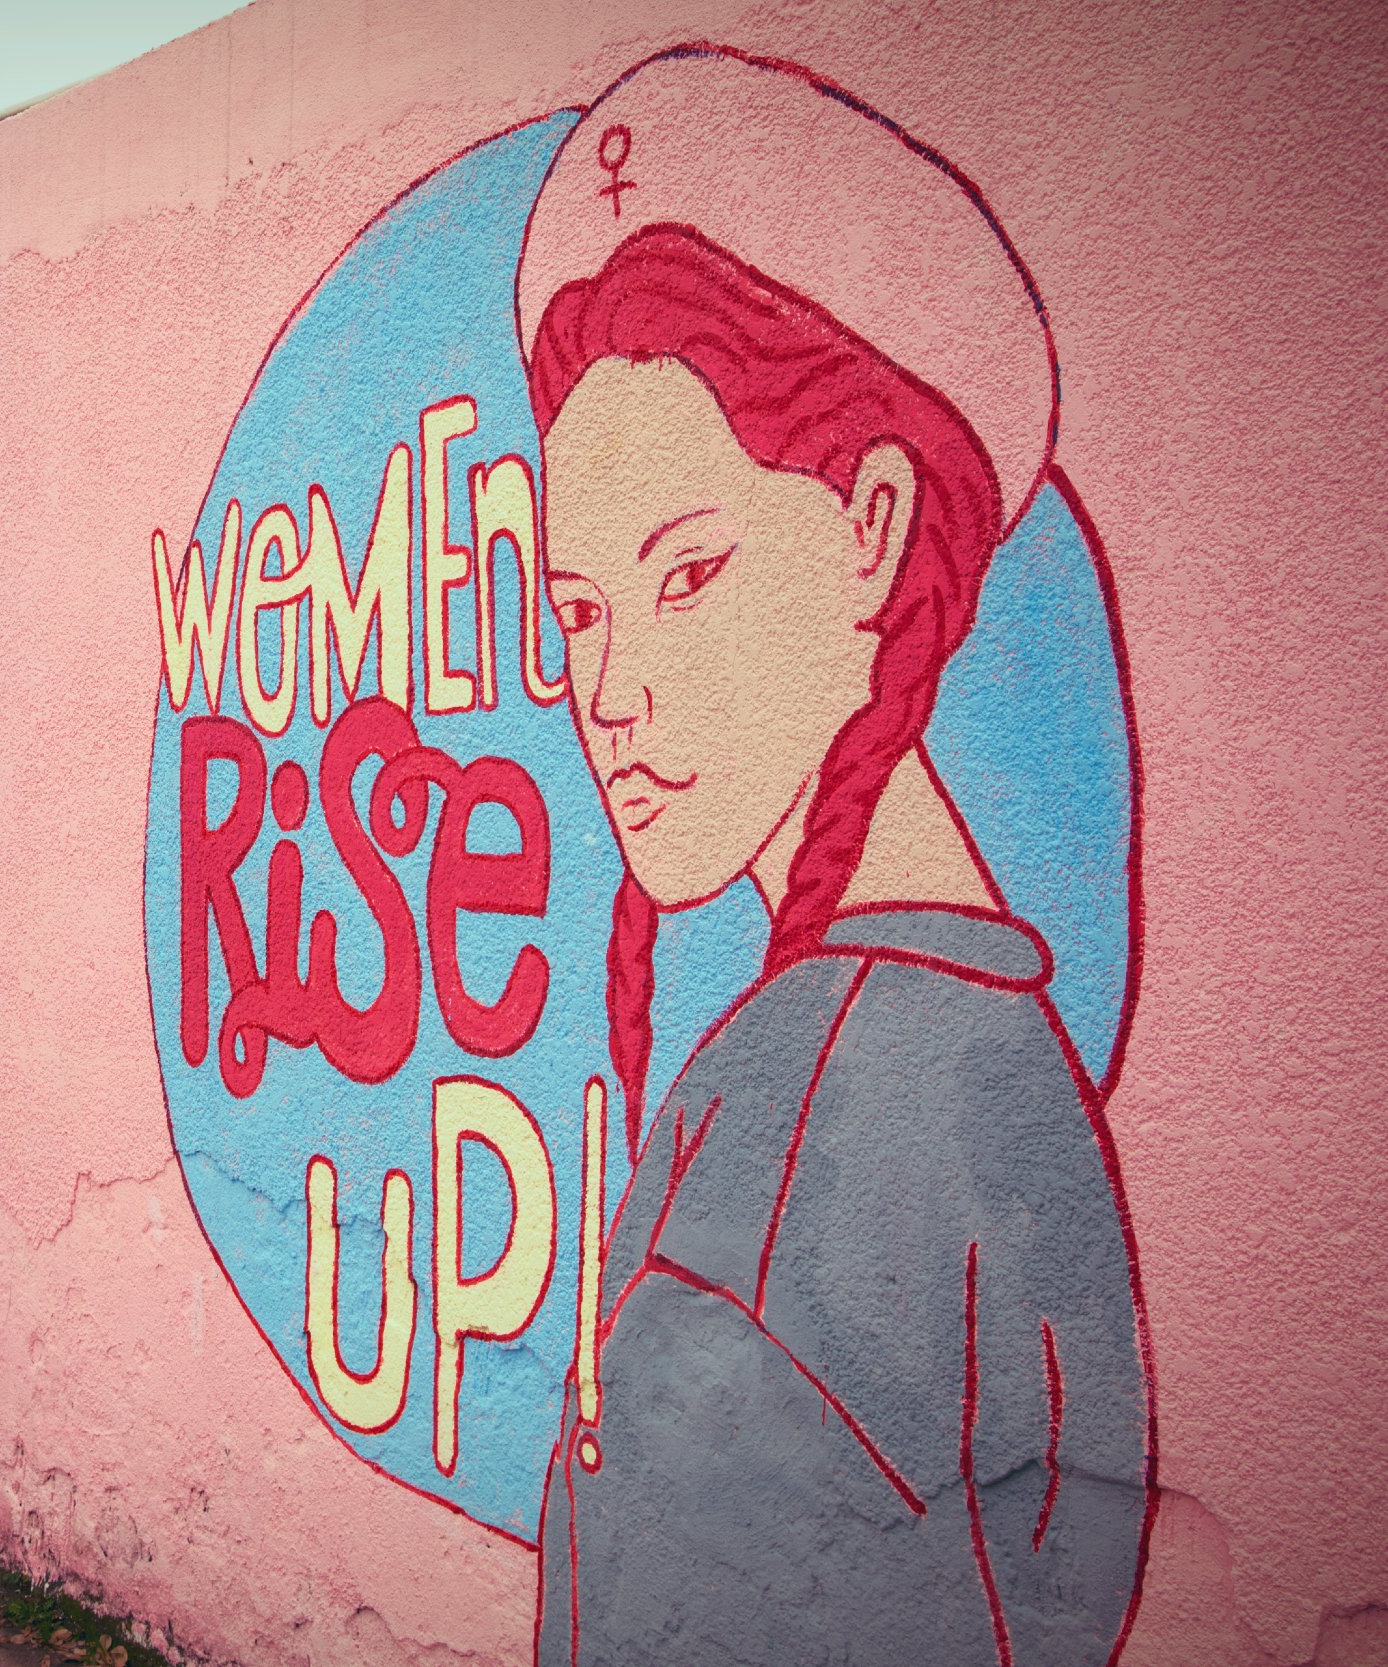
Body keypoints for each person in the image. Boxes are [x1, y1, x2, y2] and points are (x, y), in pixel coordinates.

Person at [515, 48, 1151, 1667]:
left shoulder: (848, 1098)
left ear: (871, 529)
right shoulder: (983, 1054)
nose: (610, 696)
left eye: (688, 574)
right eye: (579, 612)